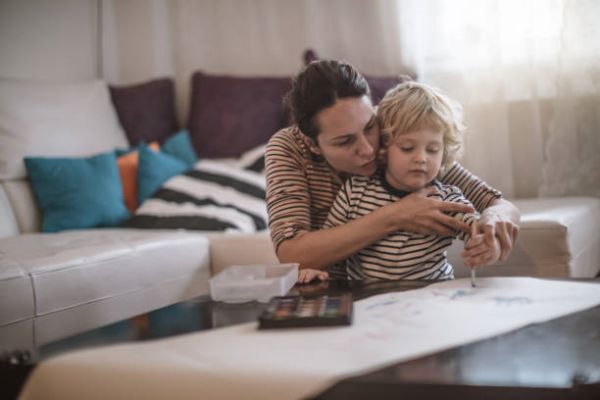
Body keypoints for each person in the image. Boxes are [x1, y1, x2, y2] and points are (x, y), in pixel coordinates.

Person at [265, 60, 519, 276]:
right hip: (343, 297)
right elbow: (292, 255)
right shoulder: (289, 149)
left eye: (369, 128)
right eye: (345, 141)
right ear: (313, 144)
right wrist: (395, 215)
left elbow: (500, 205)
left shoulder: (394, 132)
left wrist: (494, 222)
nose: (368, 149)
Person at [322, 81, 500, 279]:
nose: (421, 158)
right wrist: (318, 274)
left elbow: (476, 230)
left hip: (432, 298)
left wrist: (486, 246)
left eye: (432, 150)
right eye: (407, 147)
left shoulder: (446, 200)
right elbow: (331, 252)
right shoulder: (354, 192)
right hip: (370, 301)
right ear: (384, 146)